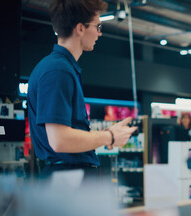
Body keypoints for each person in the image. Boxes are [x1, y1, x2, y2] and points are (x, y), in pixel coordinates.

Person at [27, 0, 137, 179]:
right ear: (80, 28)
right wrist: (109, 136)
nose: (99, 33)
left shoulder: (59, 68)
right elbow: (60, 140)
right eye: (98, 26)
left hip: (66, 176)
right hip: (67, 178)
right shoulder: (58, 70)